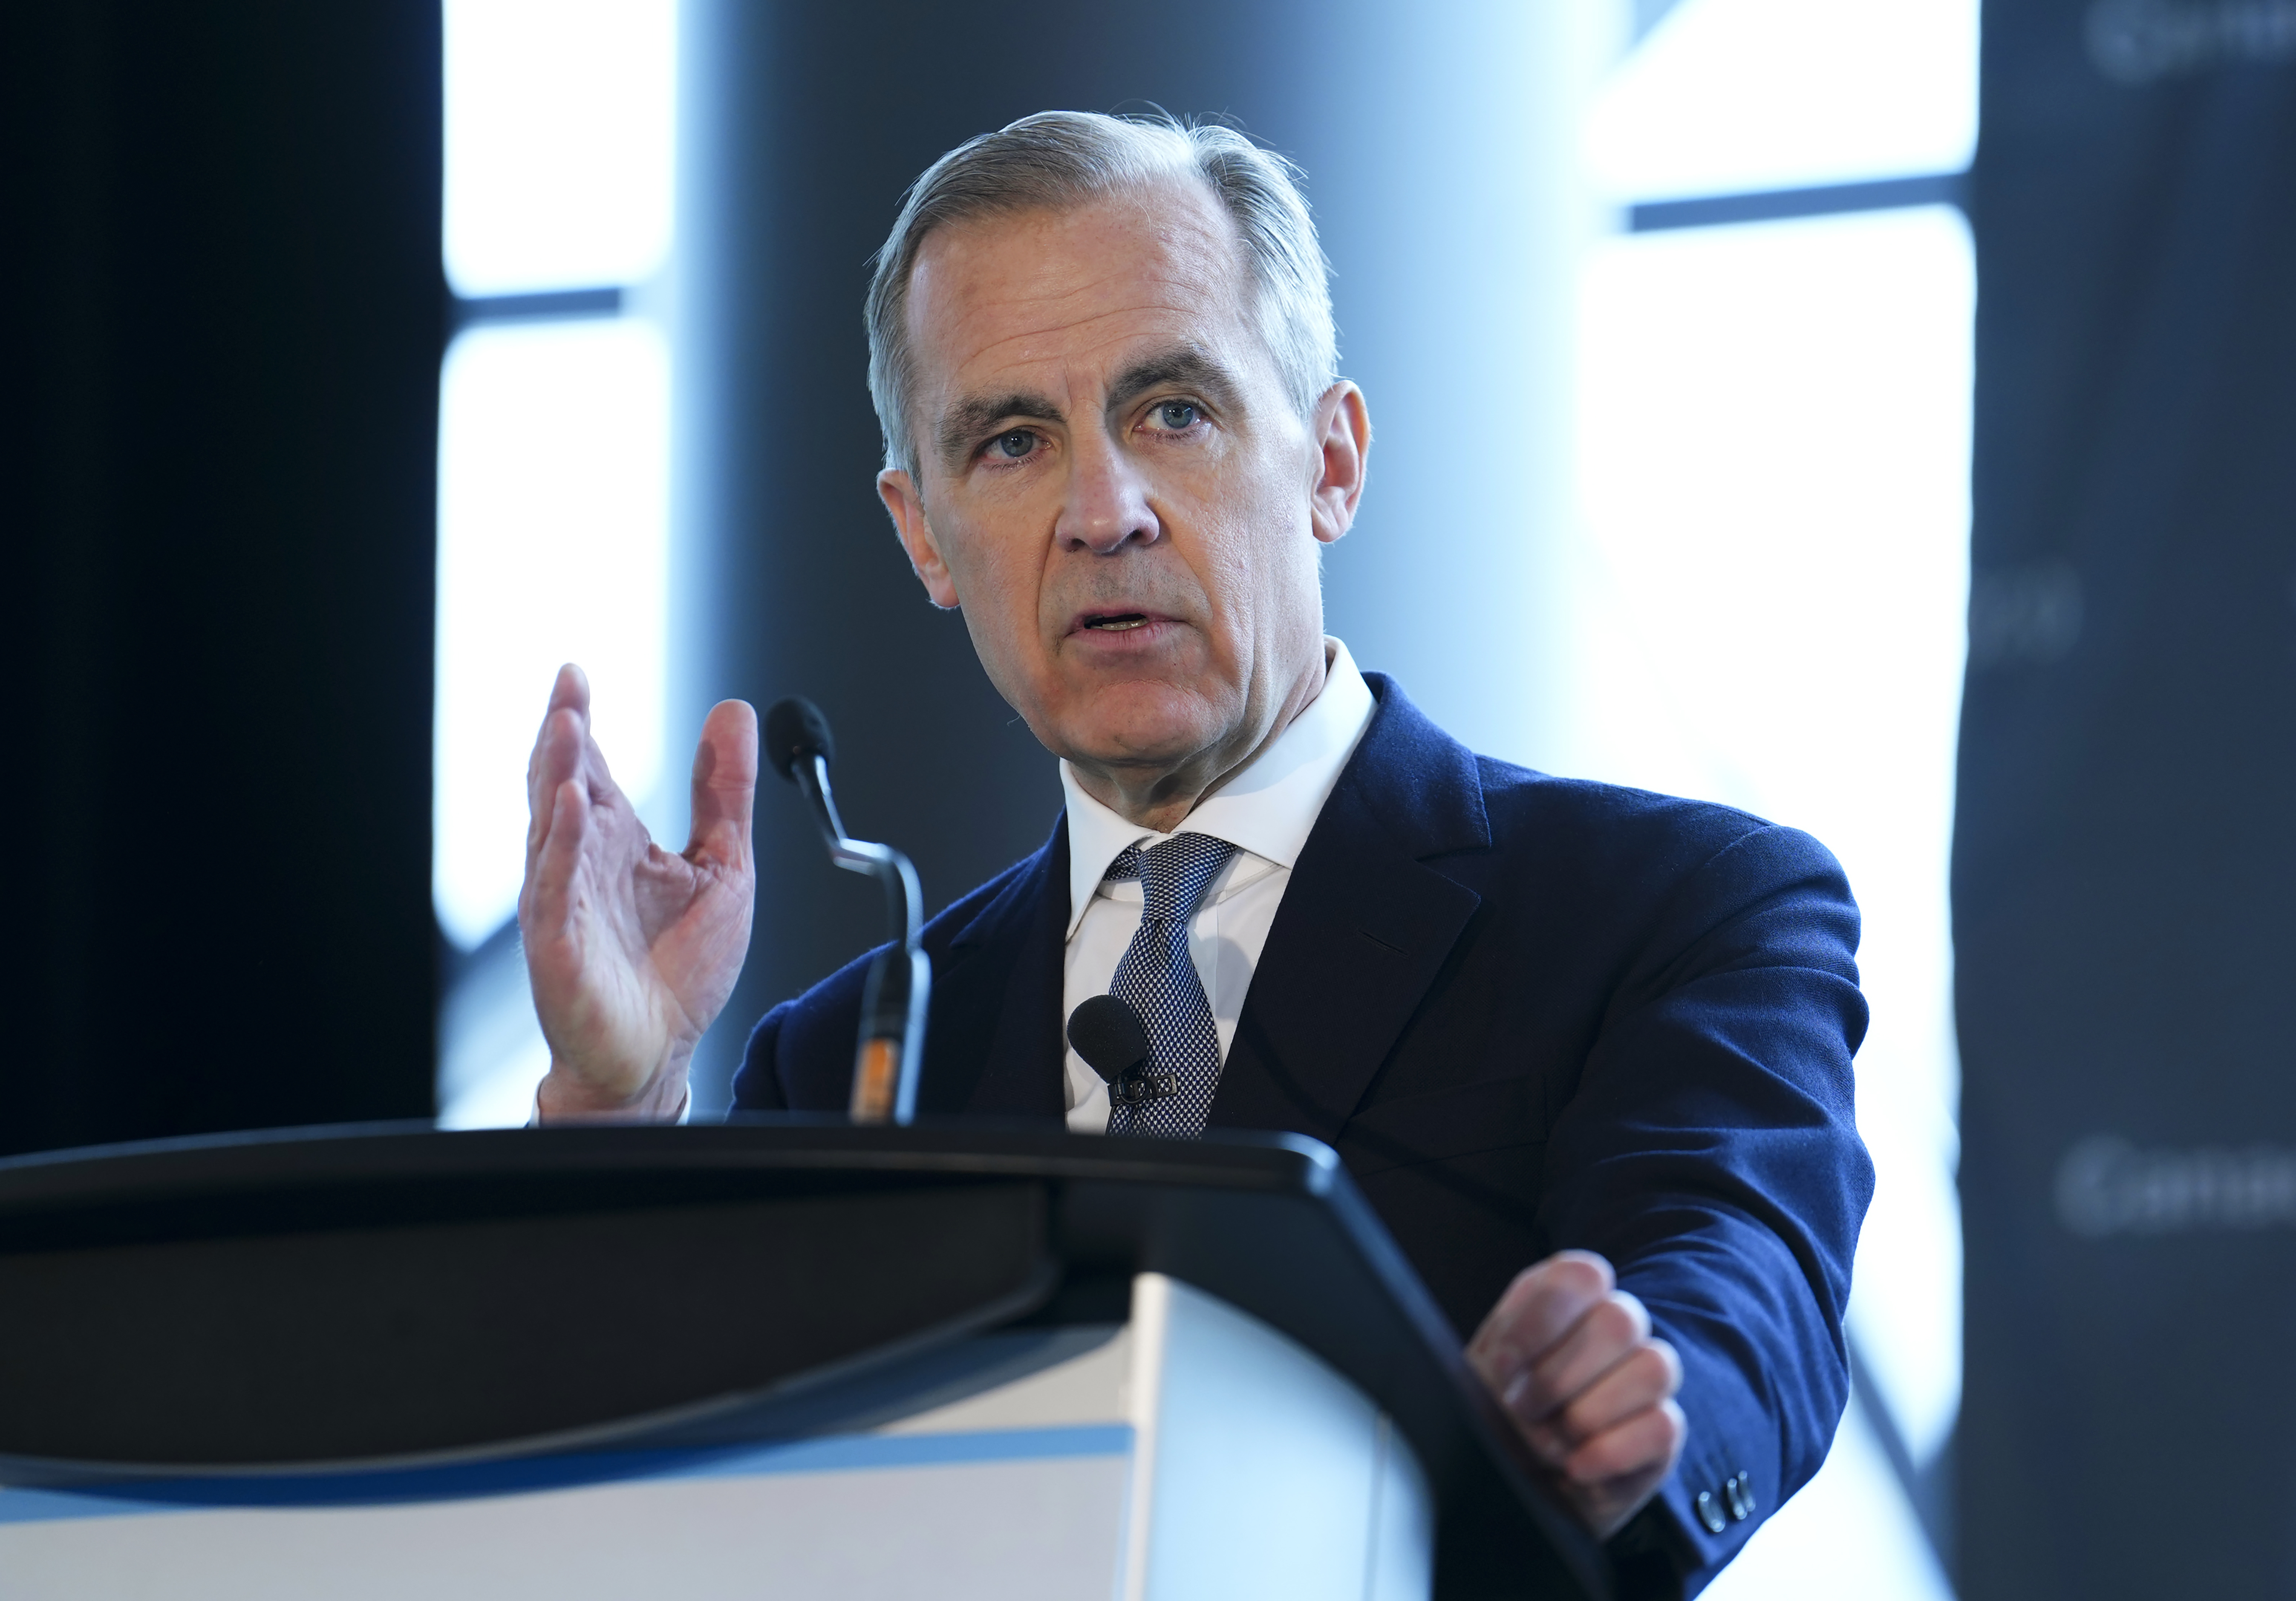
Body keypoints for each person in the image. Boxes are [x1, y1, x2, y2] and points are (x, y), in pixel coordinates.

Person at [518, 111, 1871, 1596]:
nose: (1104, 512)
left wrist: (1630, 1389)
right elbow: (654, 1497)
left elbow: (1740, 1285)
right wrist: (619, 1093)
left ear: (1333, 461)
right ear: (924, 533)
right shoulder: (843, 1063)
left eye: (1173, 408)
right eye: (1013, 439)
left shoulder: (1672, 912)